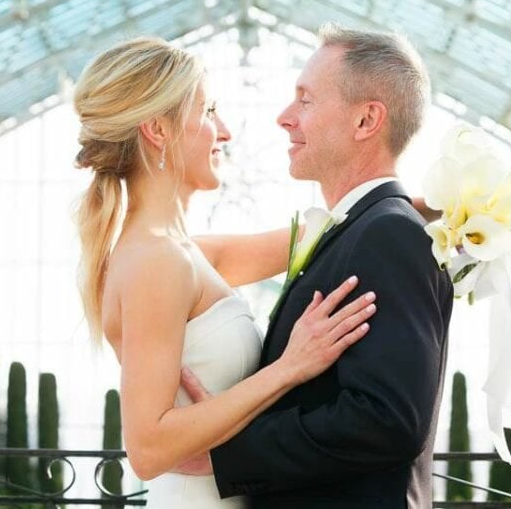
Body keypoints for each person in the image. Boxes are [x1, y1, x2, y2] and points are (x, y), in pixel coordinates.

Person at [73, 36, 378, 508]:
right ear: (159, 130)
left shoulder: (184, 254)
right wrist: (290, 368)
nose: (225, 130)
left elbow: (323, 232)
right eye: (208, 110)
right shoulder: (158, 261)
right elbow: (148, 448)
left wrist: (458, 208)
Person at [182, 25, 454, 508]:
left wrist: (227, 452)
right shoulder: (360, 229)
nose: (285, 118)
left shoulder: (388, 234)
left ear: (366, 120)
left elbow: (387, 419)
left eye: (305, 100)